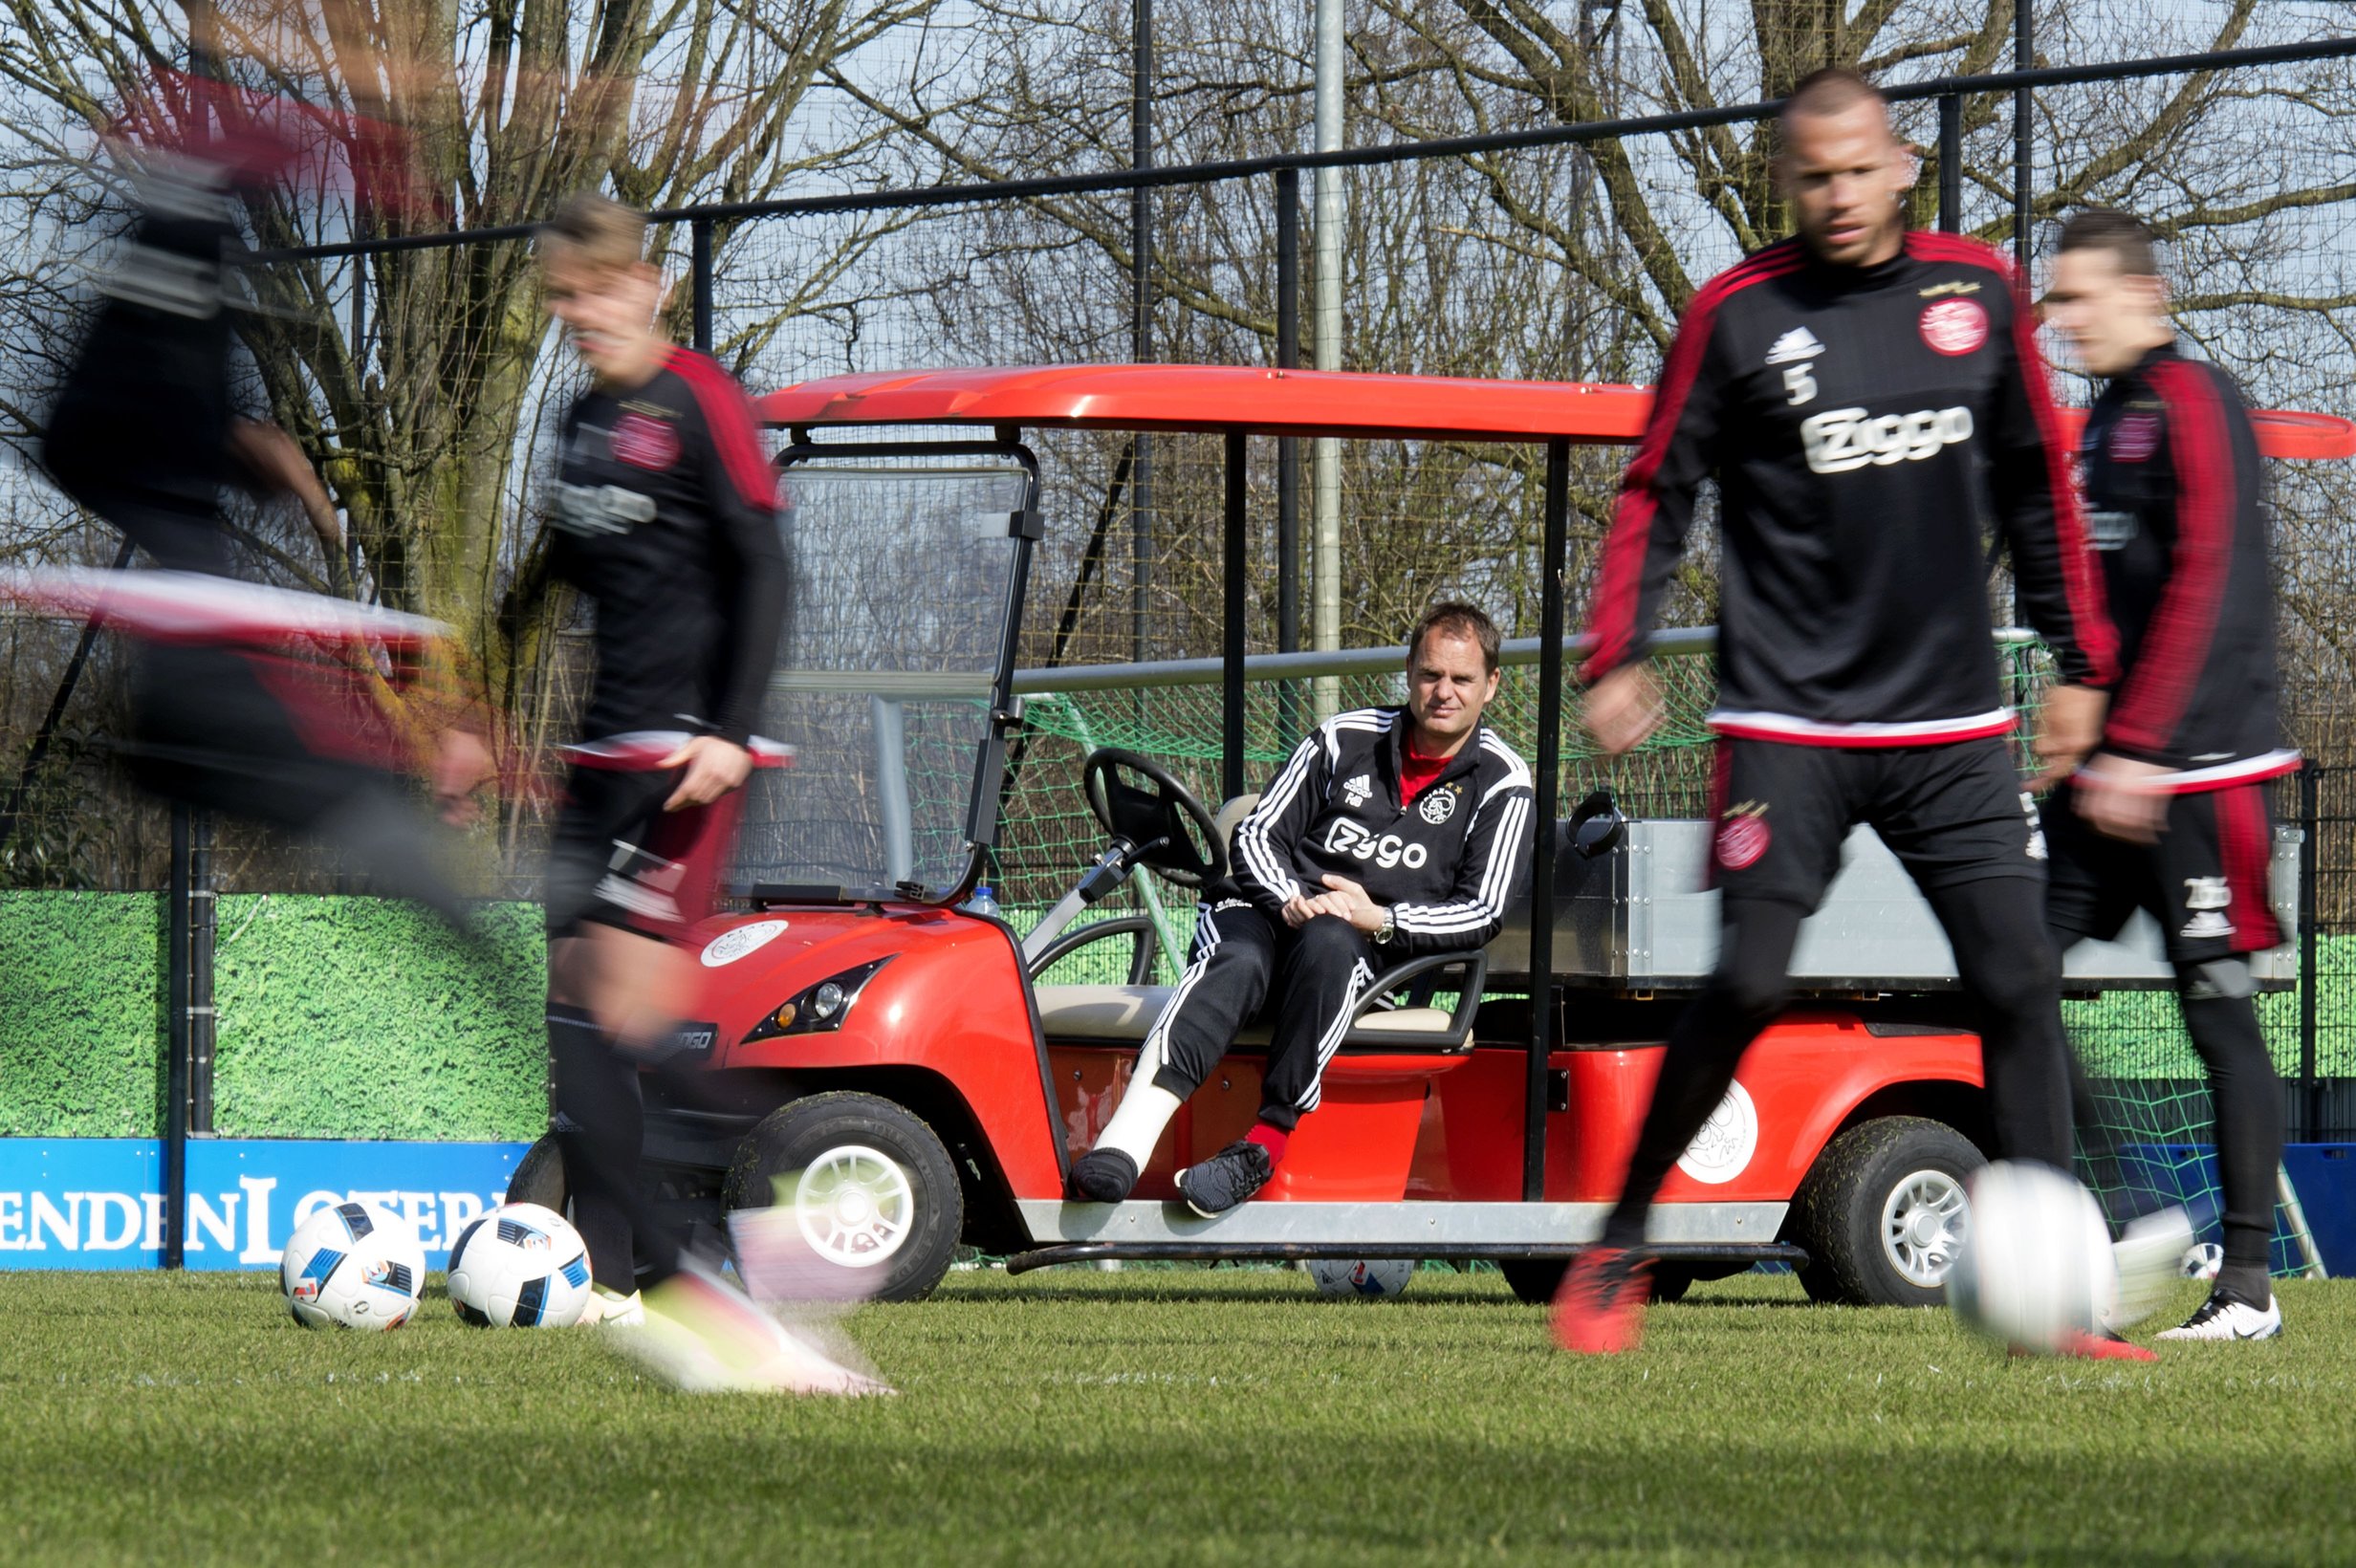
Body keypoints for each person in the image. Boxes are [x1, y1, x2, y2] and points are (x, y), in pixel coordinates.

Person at [1558, 68, 2135, 1359]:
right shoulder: (1737, 313)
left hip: (1947, 730)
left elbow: (2039, 488)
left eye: (1855, 171)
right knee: (1751, 978)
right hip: (1790, 727)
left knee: (2016, 981)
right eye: (1810, 176)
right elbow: (1657, 491)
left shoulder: (1974, 295)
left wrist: (2084, 665)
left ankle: (2053, 1301)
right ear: (1787, 181)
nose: (1835, 197)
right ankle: (1619, 1242)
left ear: (1899, 169)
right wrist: (1620, 652)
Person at [517, 192, 878, 1393]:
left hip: (688, 760)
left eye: (596, 292)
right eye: (561, 299)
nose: (579, 317)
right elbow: (561, 562)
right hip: (601, 759)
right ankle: (633, 1272)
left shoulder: (701, 400)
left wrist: (730, 729)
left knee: (620, 1001)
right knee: (575, 1015)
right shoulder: (581, 419)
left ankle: (780, 1233)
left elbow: (766, 565)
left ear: (650, 285)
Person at [2040, 208, 2295, 1343]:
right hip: (2110, 773)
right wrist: (2077, 684)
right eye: (2053, 299)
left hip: (2205, 771)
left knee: (2215, 1006)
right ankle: (2128, 1218)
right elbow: (2104, 595)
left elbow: (2209, 581)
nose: (2062, 318)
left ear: (2147, 295)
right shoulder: (2102, 419)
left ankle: (2244, 1283)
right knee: (2007, 964)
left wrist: (2141, 742)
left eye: (2080, 296)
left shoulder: (2196, 402)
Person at [1065, 601, 1535, 1214]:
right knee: (1236, 960)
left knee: (1334, 941)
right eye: (1429, 675)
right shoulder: (1344, 738)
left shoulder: (1504, 783)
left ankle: (1263, 1146)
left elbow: (1482, 910)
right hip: (1265, 909)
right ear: (1409, 673)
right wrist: (1291, 900)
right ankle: (1123, 1147)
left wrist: (1381, 919)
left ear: (1491, 685)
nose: (1443, 692)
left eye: (1462, 679)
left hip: (1367, 950)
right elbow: (1257, 834)